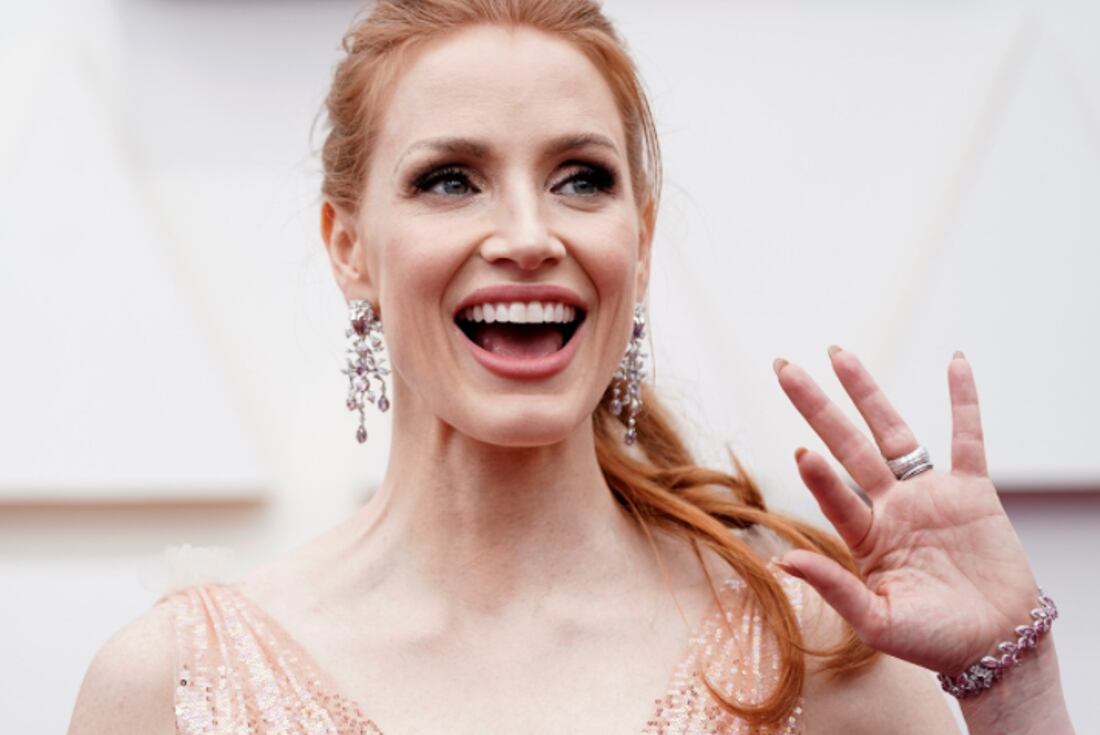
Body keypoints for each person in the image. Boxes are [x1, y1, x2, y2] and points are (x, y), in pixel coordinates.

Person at [68, 1, 1074, 733]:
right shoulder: (168, 685)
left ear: (637, 239)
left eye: (579, 180)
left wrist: (1011, 687)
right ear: (347, 247)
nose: (525, 233)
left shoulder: (817, 654)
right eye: (449, 180)